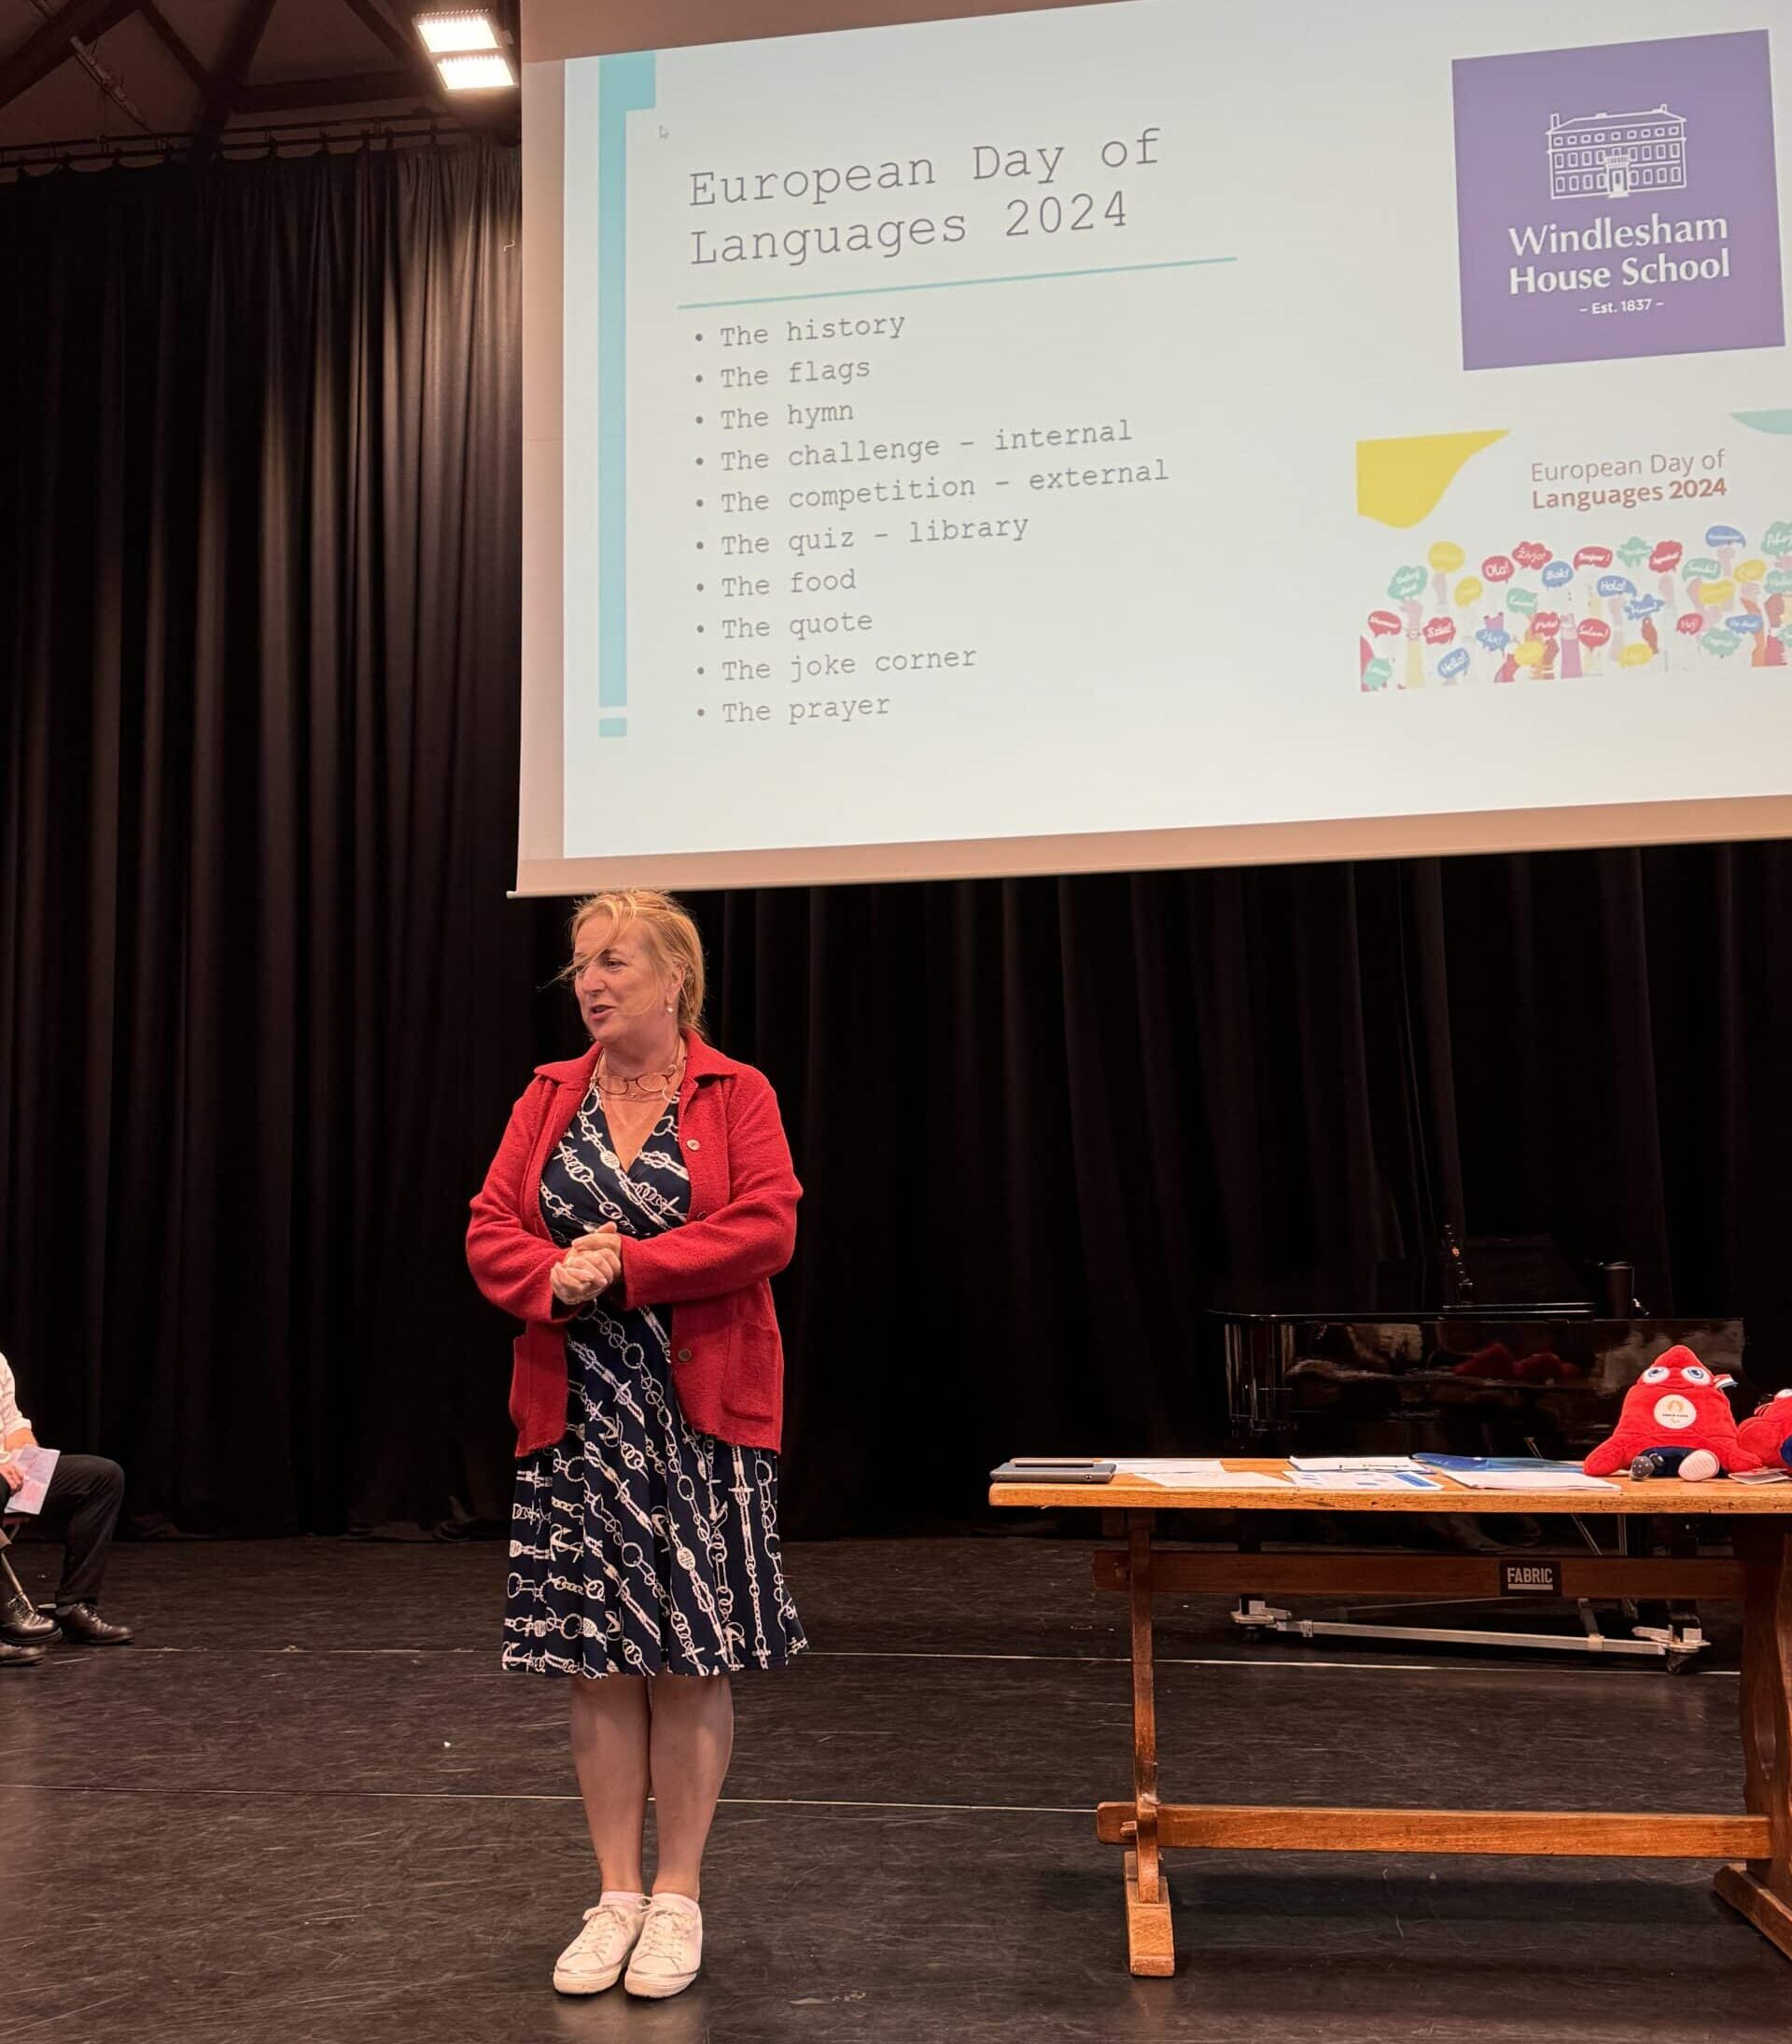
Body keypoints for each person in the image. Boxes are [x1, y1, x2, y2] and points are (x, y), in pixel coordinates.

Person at [467, 888, 805, 2001]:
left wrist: (630, 1265)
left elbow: (769, 1225)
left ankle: (680, 1898)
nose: (592, 983)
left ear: (675, 978)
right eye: (580, 965)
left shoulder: (733, 1091)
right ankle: (614, 1896)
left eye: (614, 962)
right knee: (600, 1664)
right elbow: (491, 1228)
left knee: (686, 1659)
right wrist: (548, 1276)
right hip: (576, 1420)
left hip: (696, 1424)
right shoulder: (549, 1095)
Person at [0, 1350, 134, 1657]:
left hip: (8, 1475)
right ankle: (6, 1615)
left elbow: (14, 1424)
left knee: (102, 1477)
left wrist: (29, 1461)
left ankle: (75, 1604)